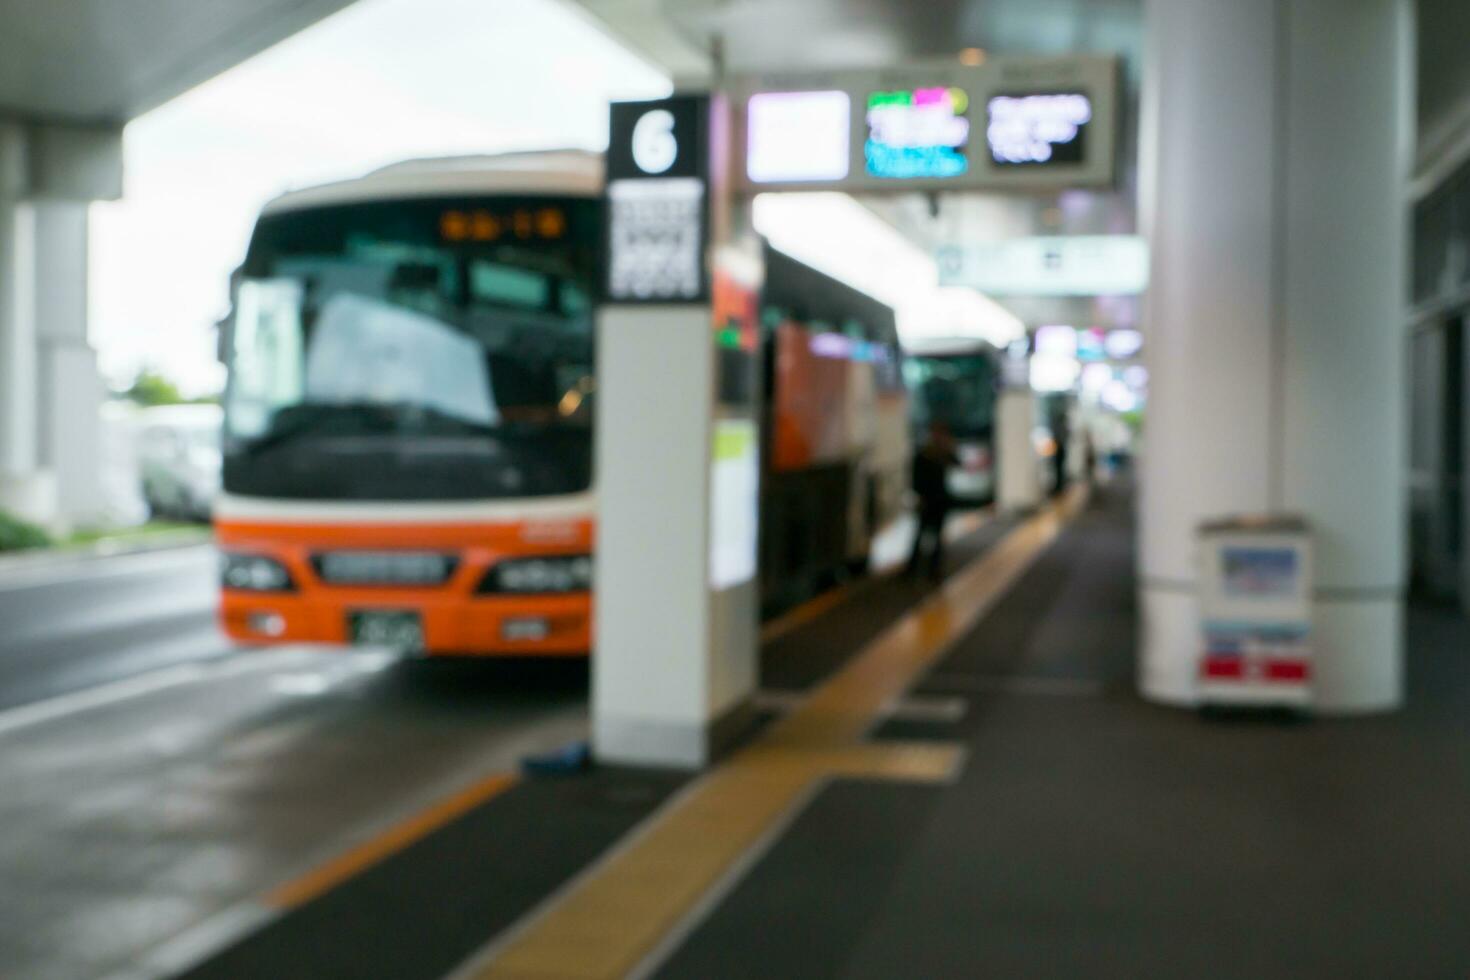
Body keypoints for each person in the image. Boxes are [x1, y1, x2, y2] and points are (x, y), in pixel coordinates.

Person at [908, 421, 959, 581]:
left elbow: (957, 462)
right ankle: (914, 569)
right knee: (920, 535)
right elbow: (916, 476)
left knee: (936, 537)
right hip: (928, 500)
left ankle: (932, 570)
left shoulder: (942, 452)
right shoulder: (925, 453)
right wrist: (918, 495)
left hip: (940, 501)